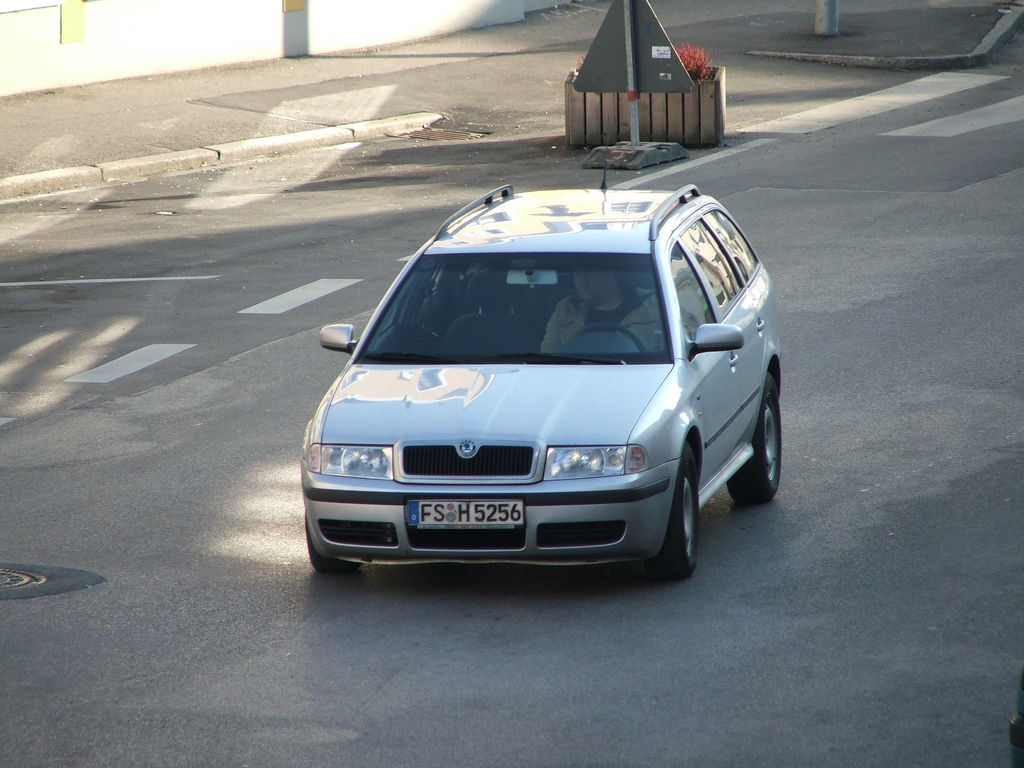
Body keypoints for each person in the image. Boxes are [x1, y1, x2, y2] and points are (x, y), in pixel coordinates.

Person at [540, 268, 661, 353]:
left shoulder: (653, 305)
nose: (583, 280)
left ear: (610, 274)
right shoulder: (566, 308)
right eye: (578, 274)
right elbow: (549, 353)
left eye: (589, 272)